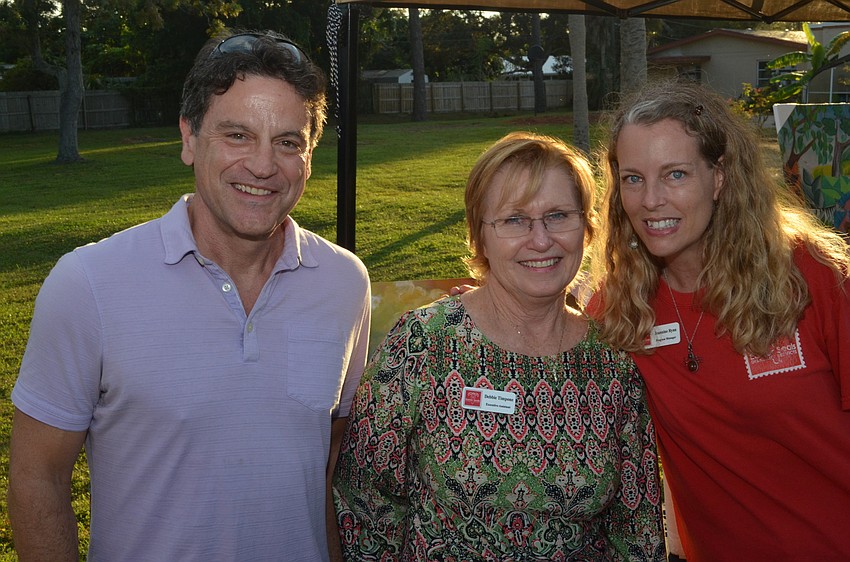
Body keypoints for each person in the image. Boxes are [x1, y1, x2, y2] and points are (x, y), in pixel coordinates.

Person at [8, 30, 370, 561]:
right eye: (237, 135)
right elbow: (37, 477)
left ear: (309, 155)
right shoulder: (87, 285)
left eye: (288, 142)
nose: (264, 166)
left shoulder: (344, 283)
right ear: (188, 138)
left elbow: (327, 460)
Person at [333, 132, 666, 561]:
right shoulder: (422, 345)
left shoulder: (612, 366)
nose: (541, 240)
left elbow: (636, 529)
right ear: (480, 236)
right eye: (514, 220)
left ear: (587, 229)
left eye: (559, 215)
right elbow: (364, 503)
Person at [588, 80, 850, 562]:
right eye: (633, 178)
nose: (650, 201)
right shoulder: (621, 309)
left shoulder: (811, 277)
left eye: (676, 174)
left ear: (720, 177)